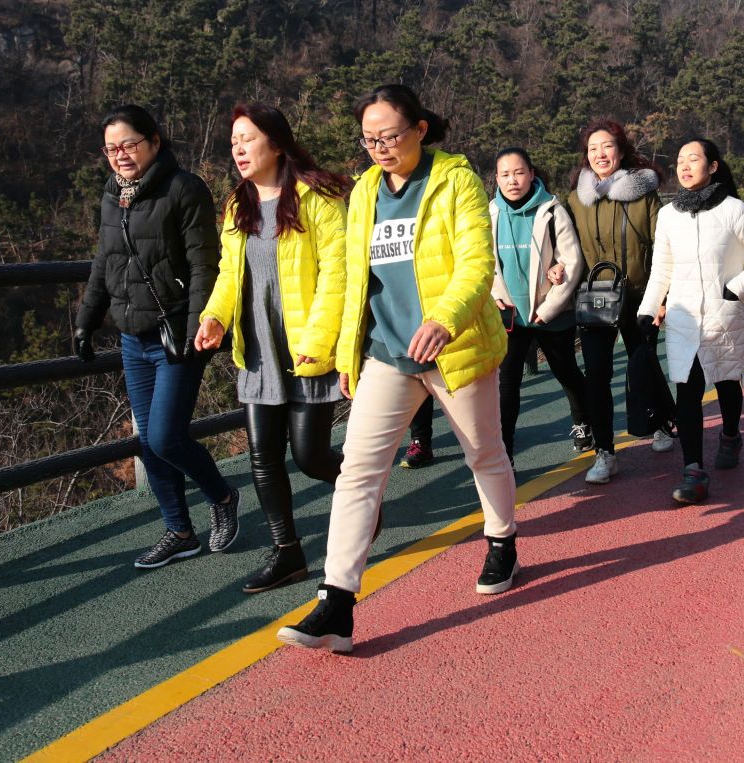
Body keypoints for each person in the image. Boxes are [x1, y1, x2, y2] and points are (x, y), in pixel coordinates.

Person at [280, 84, 517, 654]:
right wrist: (345, 352)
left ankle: (502, 540)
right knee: (358, 471)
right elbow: (353, 279)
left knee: (483, 451)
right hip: (386, 352)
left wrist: (444, 319)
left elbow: (476, 263)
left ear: (420, 130)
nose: (380, 148)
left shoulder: (456, 180)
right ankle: (336, 601)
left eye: (389, 136)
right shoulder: (364, 190)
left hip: (453, 347)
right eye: (369, 139)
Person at [194, 103, 351, 593]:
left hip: (307, 348)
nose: (238, 149)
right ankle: (287, 552)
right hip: (258, 348)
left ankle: (362, 494)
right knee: (262, 457)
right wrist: (215, 316)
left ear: (277, 143)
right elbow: (229, 273)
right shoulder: (237, 205)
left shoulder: (317, 199)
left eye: (248, 139)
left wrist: (320, 342)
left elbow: (337, 275)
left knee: (310, 456)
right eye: (233, 142)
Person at [74, 104, 237, 570]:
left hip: (176, 333)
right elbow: (105, 261)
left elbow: (205, 264)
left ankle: (222, 496)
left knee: (165, 436)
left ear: (154, 142)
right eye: (111, 149)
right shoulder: (113, 195)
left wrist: (197, 326)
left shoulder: (184, 188)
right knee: (148, 441)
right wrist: (87, 319)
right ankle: (179, 532)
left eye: (129, 144)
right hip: (132, 336)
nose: (120, 155)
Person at [639, 139, 744, 505]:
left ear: (713, 166)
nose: (685, 167)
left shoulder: (732, 209)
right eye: (680, 161)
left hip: (723, 315)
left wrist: (737, 288)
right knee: (687, 390)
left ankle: (731, 435)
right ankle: (693, 470)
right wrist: (647, 310)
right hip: (683, 318)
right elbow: (662, 269)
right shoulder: (668, 215)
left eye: (694, 159)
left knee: (727, 383)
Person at [566, 118, 674, 484]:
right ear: (586, 156)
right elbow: (564, 247)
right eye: (593, 149)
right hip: (596, 296)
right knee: (596, 375)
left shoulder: (644, 195)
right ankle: (605, 452)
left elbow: (664, 248)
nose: (600, 154)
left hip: (641, 294)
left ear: (621, 151)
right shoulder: (576, 201)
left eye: (607, 147)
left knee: (642, 363)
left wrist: (662, 298)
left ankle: (659, 423)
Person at [489, 146, 587, 460]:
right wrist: (496, 298)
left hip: (550, 313)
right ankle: (504, 453)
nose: (512, 180)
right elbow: (483, 264)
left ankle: (583, 423)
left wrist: (547, 310)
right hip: (510, 315)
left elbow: (572, 261)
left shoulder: (551, 210)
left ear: (532, 174)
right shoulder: (489, 213)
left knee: (566, 372)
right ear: (496, 178)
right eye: (505, 174)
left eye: (519, 172)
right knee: (506, 385)